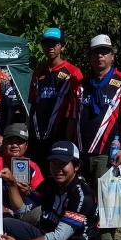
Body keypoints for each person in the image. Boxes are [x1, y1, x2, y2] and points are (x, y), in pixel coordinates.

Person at [70, 34, 121, 240]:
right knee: (83, 198)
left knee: (107, 201)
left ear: (112, 54)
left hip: (106, 152)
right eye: (95, 52)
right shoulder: (82, 84)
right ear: (90, 56)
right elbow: (73, 117)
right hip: (81, 151)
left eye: (105, 51)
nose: (100, 56)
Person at [27, 28, 83, 178]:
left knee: (57, 177)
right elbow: (33, 105)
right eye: (46, 44)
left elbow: (77, 108)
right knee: (36, 175)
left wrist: (71, 137)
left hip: (60, 134)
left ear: (62, 47)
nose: (50, 47)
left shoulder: (73, 72)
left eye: (54, 44)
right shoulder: (38, 73)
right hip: (37, 136)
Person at [0, 123, 44, 218]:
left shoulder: (32, 166)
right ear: (3, 143)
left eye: (19, 142)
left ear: (26, 145)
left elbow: (41, 196)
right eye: (10, 141)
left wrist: (28, 192)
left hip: (25, 212)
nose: (14, 145)